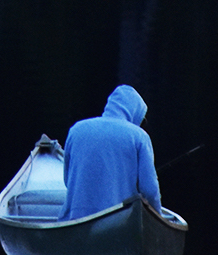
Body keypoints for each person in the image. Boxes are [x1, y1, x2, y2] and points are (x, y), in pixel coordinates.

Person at [60, 84, 161, 220]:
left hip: (76, 218)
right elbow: (150, 190)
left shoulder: (76, 130)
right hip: (118, 221)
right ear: (134, 113)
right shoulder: (139, 136)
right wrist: (158, 217)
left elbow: (68, 180)